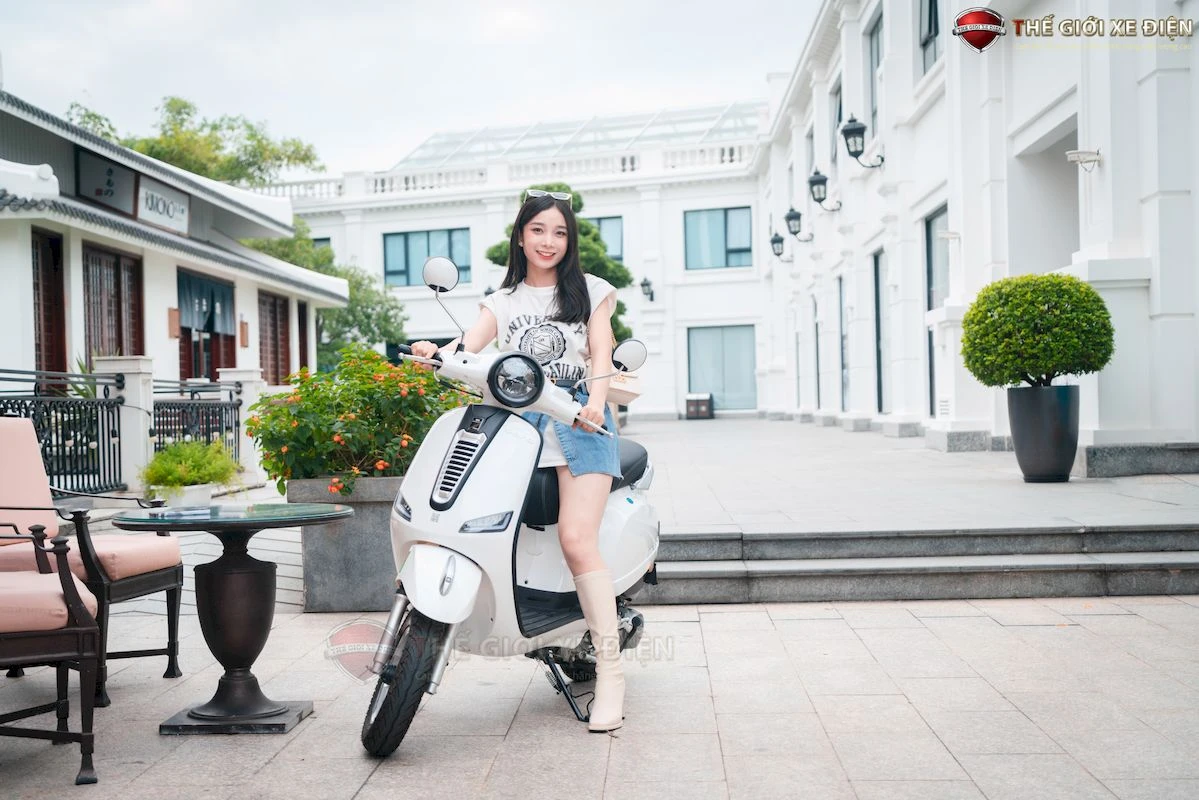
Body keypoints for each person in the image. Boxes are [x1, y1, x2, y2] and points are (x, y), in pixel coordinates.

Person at [410, 189, 625, 733]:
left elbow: (602, 353)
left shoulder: (592, 291)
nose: (549, 241)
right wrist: (436, 353)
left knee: (576, 539)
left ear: (569, 240)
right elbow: (469, 344)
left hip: (580, 422)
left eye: (559, 232)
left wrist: (595, 403)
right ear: (521, 237)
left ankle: (611, 673)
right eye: (538, 230)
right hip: (519, 427)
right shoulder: (502, 300)